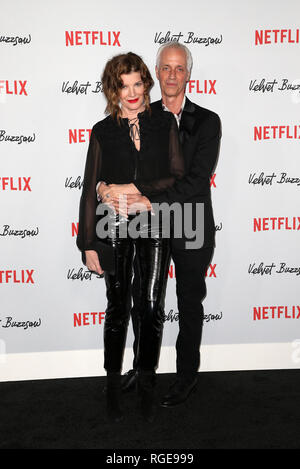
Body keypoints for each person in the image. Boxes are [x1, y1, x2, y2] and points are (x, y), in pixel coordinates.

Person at [99, 42, 221, 407]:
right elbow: (117, 164)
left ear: (188, 73)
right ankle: (142, 367)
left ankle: (186, 378)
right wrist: (103, 186)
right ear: (156, 73)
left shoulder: (208, 121)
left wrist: (146, 198)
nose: (171, 75)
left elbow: (195, 181)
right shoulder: (138, 114)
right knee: (142, 299)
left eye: (179, 68)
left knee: (188, 302)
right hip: (144, 224)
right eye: (165, 68)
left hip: (189, 222)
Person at [76, 52, 184, 423]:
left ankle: (147, 380)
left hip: (154, 220)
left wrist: (136, 190)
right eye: (124, 85)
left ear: (146, 84)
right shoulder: (103, 130)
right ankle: (111, 381)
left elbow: (176, 175)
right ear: (113, 89)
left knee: (152, 304)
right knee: (118, 304)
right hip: (114, 224)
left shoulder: (163, 123)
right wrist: (87, 242)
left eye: (138, 83)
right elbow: (91, 188)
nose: (133, 92)